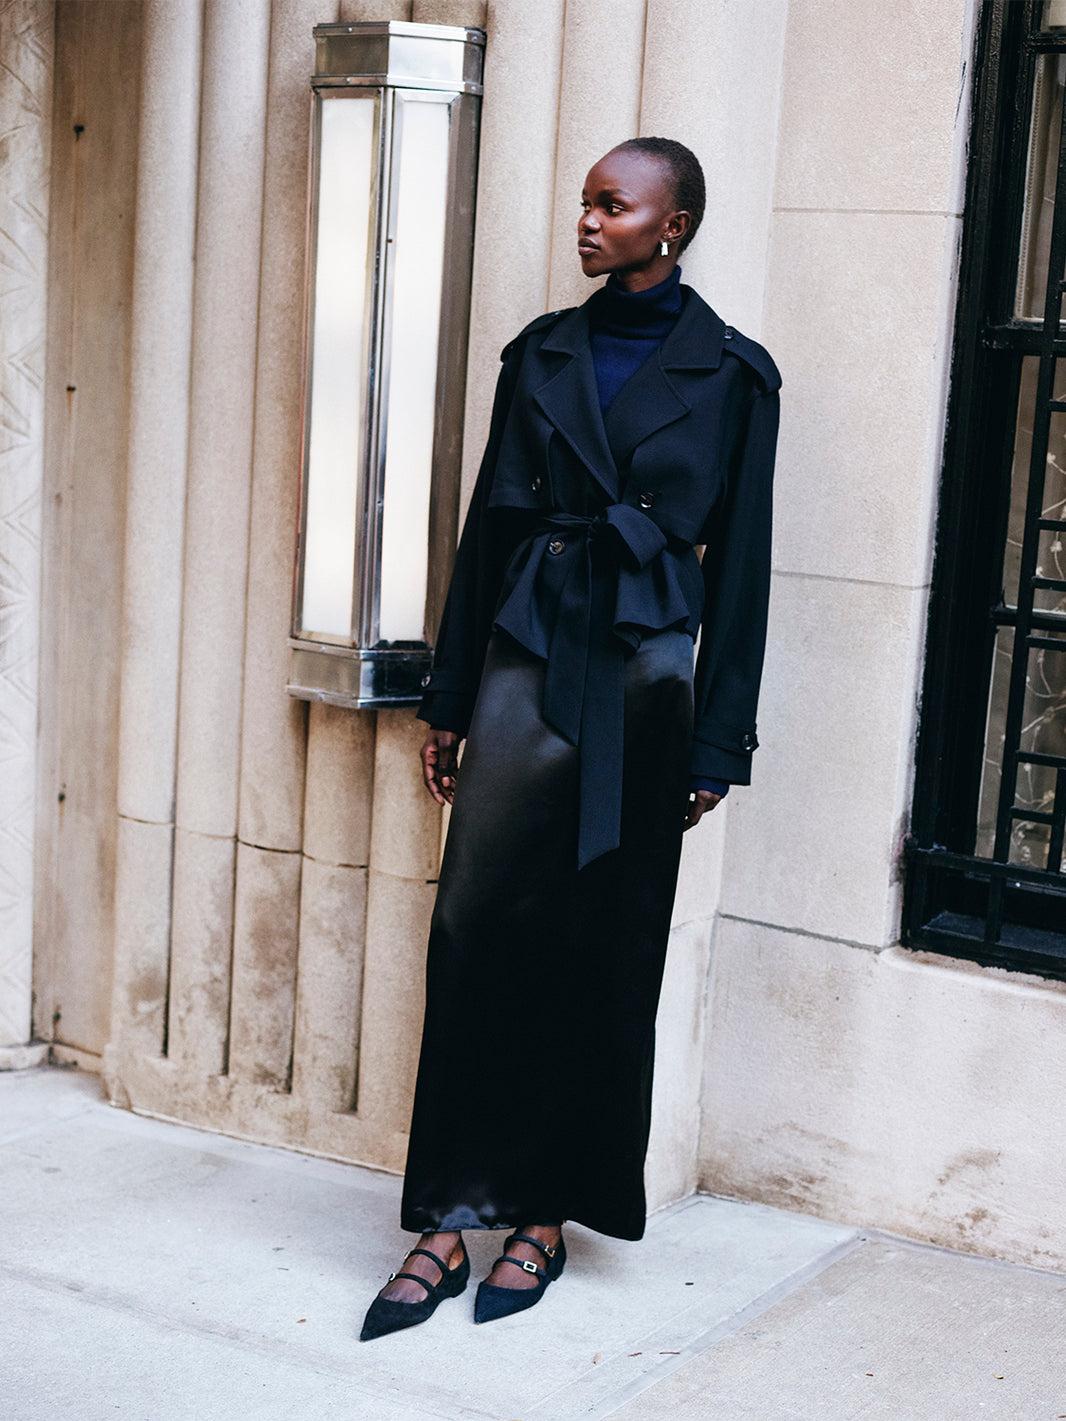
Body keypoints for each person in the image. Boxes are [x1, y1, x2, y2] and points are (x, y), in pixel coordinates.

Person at [360, 137, 780, 1341]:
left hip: (645, 684)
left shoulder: (735, 376)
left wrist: (718, 742)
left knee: (601, 950)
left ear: (673, 223)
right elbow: (483, 532)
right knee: (478, 930)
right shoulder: (540, 352)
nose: (588, 220)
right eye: (586, 201)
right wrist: (449, 697)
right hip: (522, 659)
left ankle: (542, 1210)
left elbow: (741, 575)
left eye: (614, 204)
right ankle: (449, 1212)